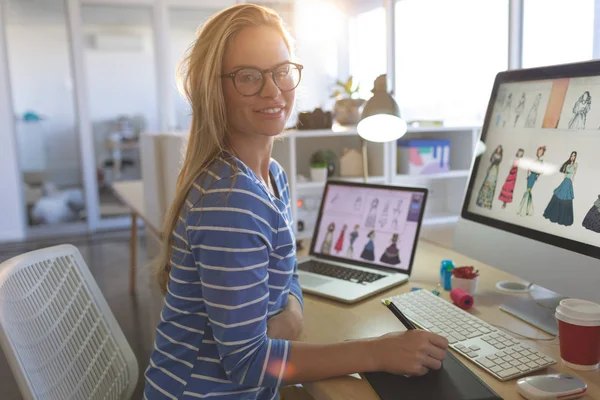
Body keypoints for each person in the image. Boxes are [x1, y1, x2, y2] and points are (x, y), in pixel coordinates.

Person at [144, 4, 448, 400]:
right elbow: (249, 365)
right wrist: (375, 351)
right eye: (248, 77)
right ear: (213, 88)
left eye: (281, 71)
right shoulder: (230, 201)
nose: (272, 91)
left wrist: (290, 313)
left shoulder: (273, 177)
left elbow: (288, 277)